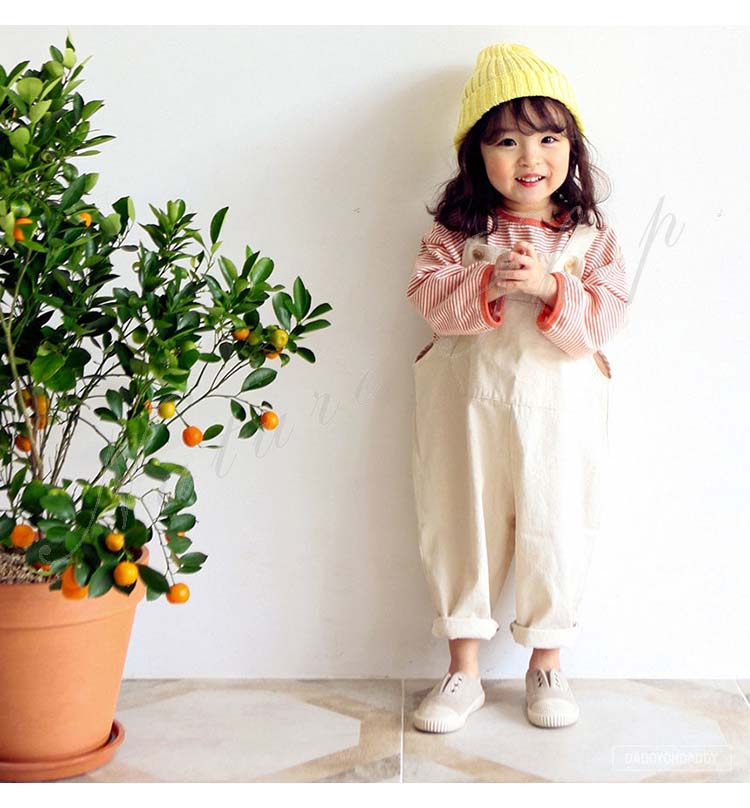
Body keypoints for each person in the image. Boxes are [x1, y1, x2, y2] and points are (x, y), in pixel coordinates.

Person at [406, 43, 629, 732]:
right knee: (459, 520)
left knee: (554, 524)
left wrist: (552, 287)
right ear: (476, 154)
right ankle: (463, 669)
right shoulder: (456, 233)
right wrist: (488, 282)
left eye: (548, 138)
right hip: (466, 414)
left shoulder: (588, 237)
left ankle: (547, 662)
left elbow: (609, 317)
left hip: (560, 417)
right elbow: (426, 298)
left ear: (572, 148)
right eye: (506, 140)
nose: (530, 156)